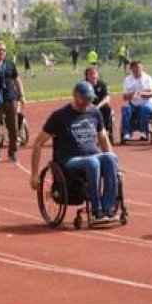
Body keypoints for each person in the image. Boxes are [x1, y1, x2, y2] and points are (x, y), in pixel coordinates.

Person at [29, 82, 119, 224]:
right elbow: (38, 143)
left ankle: (107, 208)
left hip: (92, 155)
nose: (87, 103)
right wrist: (34, 174)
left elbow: (103, 139)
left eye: (90, 99)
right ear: (76, 95)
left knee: (111, 158)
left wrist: (115, 168)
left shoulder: (94, 112)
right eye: (85, 99)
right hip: (70, 159)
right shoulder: (60, 116)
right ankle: (96, 212)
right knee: (93, 162)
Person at [121, 60, 152, 141]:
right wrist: (132, 94)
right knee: (125, 108)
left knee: (144, 109)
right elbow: (124, 97)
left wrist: (141, 93)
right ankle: (127, 133)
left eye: (140, 67)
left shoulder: (147, 78)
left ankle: (144, 132)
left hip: (146, 102)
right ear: (131, 69)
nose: (138, 69)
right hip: (132, 103)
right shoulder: (128, 79)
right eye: (136, 67)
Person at [84, 66, 112, 136]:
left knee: (107, 108)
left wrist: (98, 106)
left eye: (94, 73)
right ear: (87, 76)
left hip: (99, 106)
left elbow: (107, 98)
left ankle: (106, 130)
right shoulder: (83, 85)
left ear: (97, 74)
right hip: (86, 107)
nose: (93, 76)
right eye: (90, 74)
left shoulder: (103, 84)